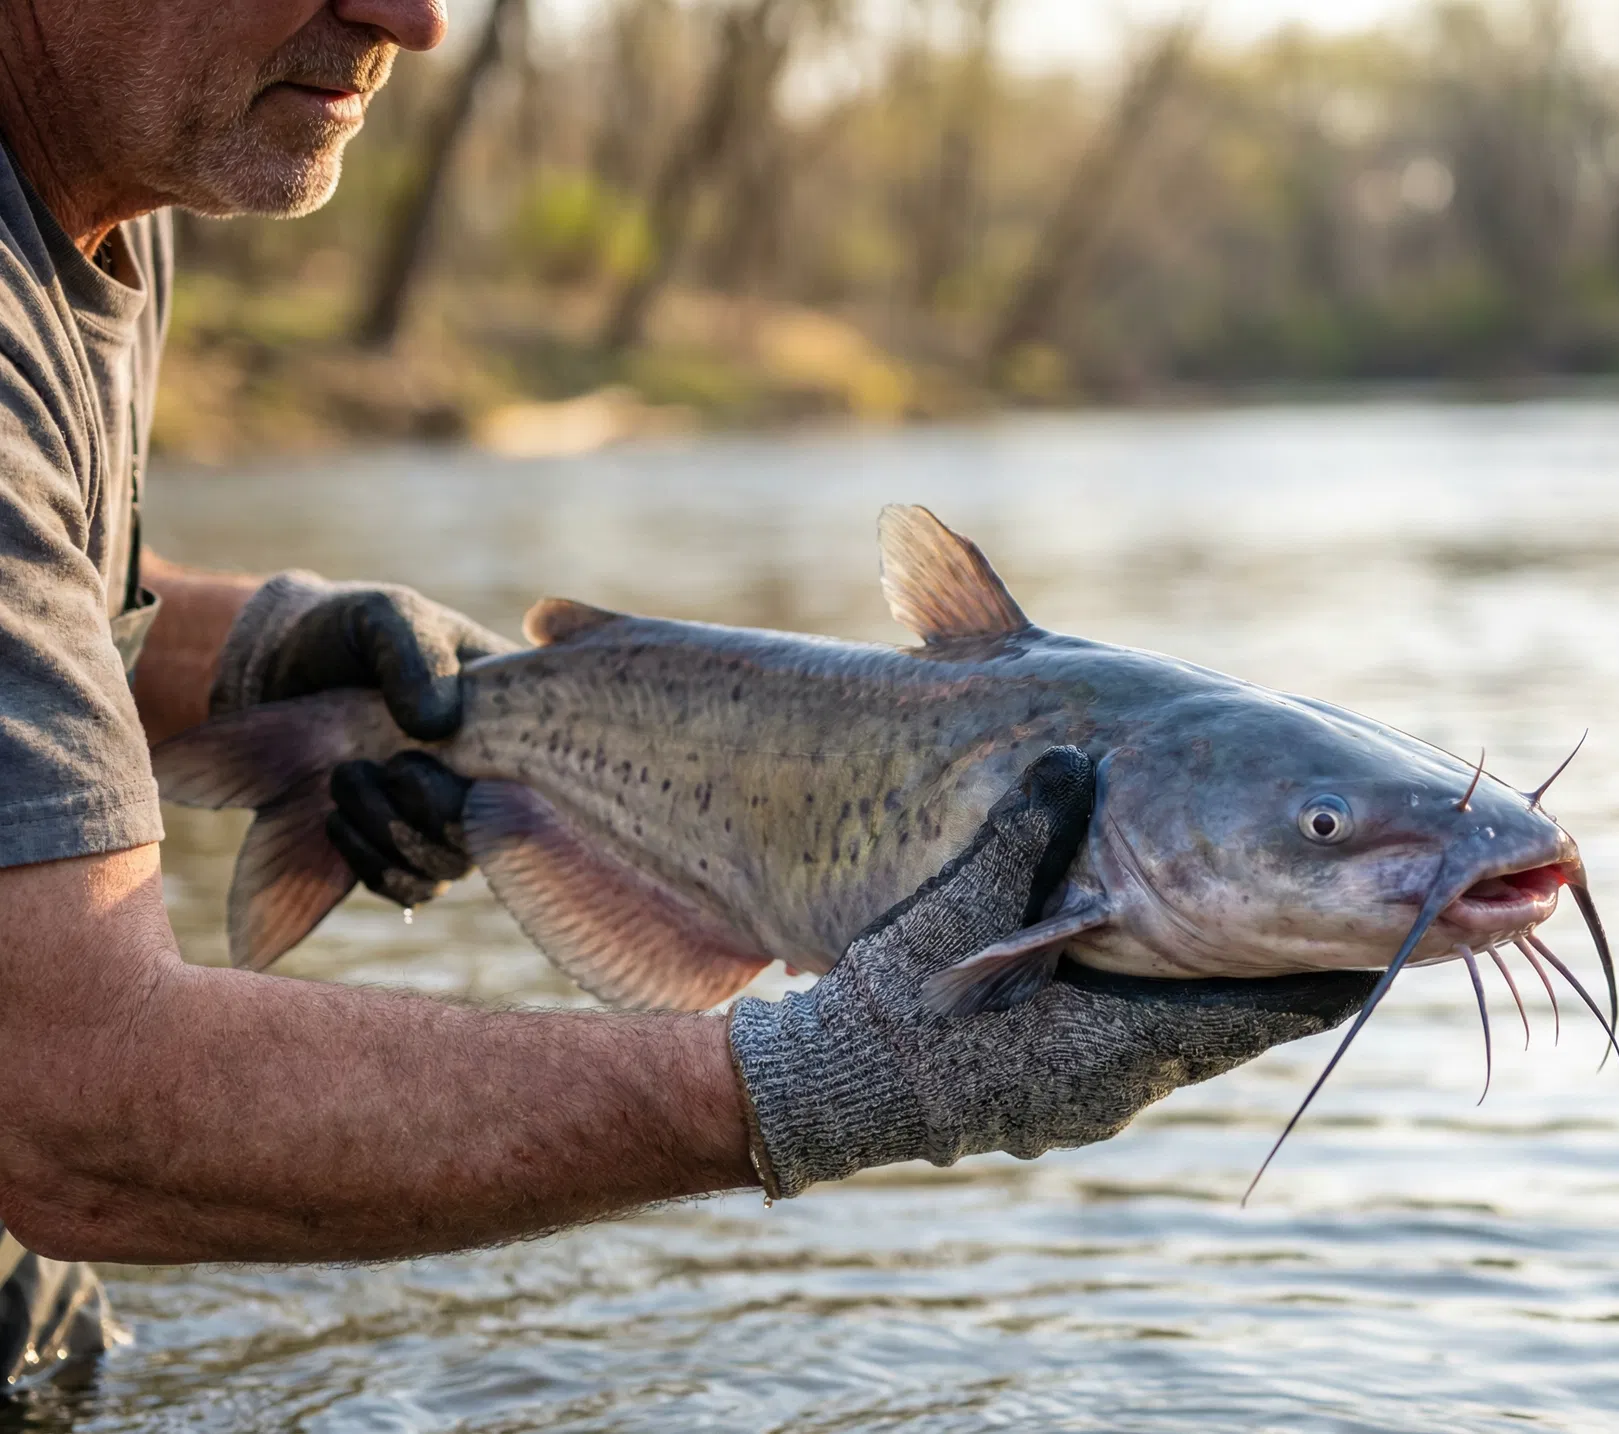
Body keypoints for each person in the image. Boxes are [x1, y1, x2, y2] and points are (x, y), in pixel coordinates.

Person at [0, 0, 1370, 1396]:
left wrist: (263, 651)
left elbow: (57, 577)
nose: (413, 21)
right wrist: (820, 1081)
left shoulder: (118, 177)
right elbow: (69, 1103)